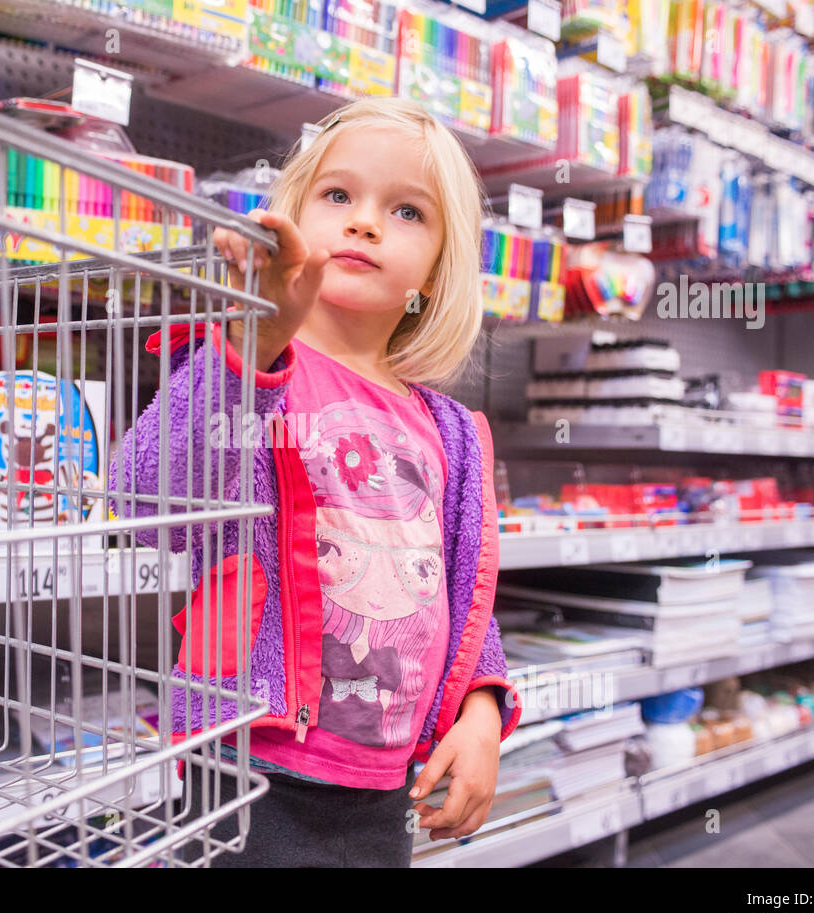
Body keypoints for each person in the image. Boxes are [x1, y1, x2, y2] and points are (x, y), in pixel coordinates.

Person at [109, 97, 522, 867]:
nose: (365, 222)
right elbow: (142, 500)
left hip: (384, 790)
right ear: (290, 218)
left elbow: (465, 601)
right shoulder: (250, 373)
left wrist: (483, 711)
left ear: (438, 268)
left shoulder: (452, 434)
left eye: (406, 211)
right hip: (245, 770)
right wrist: (253, 344)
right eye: (339, 196)